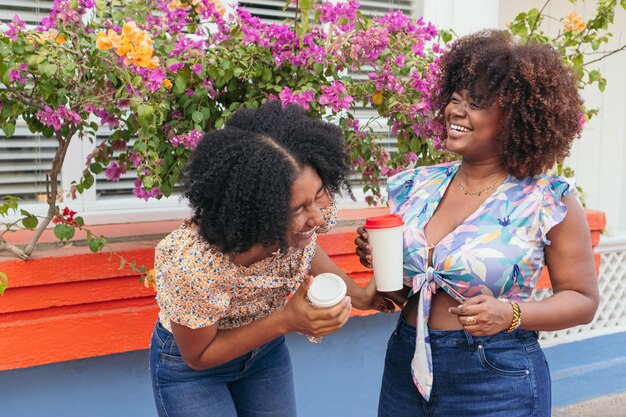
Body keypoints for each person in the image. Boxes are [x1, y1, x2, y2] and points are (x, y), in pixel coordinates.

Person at [355, 30, 599, 417]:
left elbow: (583, 301)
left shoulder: (546, 198)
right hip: (407, 359)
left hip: (495, 374)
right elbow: (405, 294)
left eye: (476, 103)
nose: (456, 111)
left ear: (515, 117)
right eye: (455, 99)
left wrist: (511, 314)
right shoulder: (417, 185)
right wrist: (384, 262)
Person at [149, 101, 392, 417]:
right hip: (192, 368)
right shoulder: (193, 264)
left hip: (265, 353)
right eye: (298, 209)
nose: (318, 217)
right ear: (256, 217)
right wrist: (288, 318)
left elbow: (305, 246)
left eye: (318, 195)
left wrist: (360, 296)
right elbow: (199, 355)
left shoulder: (309, 212)